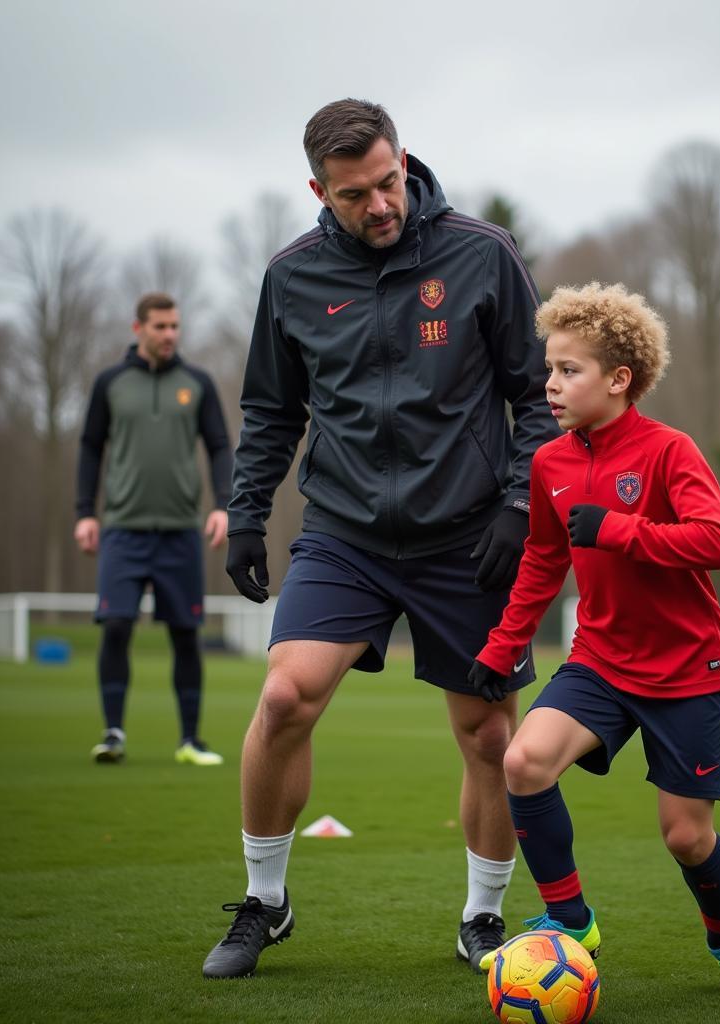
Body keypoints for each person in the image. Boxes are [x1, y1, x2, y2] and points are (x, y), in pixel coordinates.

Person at [202, 99, 556, 980]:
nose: (381, 204)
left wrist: (519, 504)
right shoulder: (292, 276)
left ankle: (481, 917)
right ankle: (266, 901)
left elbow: (539, 398)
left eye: (390, 182)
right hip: (346, 534)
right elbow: (271, 409)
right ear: (321, 189)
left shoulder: (483, 253)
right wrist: (248, 511)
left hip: (469, 535)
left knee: (487, 736)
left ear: (406, 163)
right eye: (357, 194)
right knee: (285, 699)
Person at [469, 282, 720, 999]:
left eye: (568, 371)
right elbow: (544, 561)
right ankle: (571, 922)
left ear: (618, 379)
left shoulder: (670, 451)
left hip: (689, 673)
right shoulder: (549, 463)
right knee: (524, 760)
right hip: (600, 662)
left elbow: (718, 541)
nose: (550, 385)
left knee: (686, 838)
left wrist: (616, 529)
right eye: (549, 370)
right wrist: (501, 644)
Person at [74, 292, 232, 766]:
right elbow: (89, 447)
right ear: (137, 327)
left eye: (175, 326)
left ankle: (190, 740)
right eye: (160, 326)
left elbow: (221, 447)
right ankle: (113, 733)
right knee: (117, 626)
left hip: (182, 532)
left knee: (186, 633)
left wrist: (223, 505)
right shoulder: (111, 383)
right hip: (123, 529)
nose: (170, 335)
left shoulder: (197, 383)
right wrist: (85, 511)